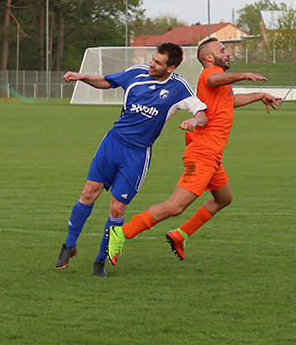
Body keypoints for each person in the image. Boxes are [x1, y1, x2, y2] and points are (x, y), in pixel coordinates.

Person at [106, 37, 282, 266]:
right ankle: (122, 232)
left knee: (223, 198)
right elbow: (217, 79)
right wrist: (244, 74)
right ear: (209, 58)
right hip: (203, 154)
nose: (227, 53)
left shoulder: (219, 86)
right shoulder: (210, 74)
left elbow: (231, 100)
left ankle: (180, 235)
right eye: (222, 50)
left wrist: (259, 95)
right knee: (176, 206)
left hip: (212, 155)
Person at [55, 43, 208, 277]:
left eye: (158, 62)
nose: (151, 64)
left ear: (171, 67)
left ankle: (101, 260)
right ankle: (69, 245)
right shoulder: (136, 73)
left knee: (117, 209)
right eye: (152, 59)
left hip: (137, 154)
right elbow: (107, 81)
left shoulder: (178, 88)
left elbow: (202, 112)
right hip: (113, 143)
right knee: (88, 193)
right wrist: (81, 77)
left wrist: (193, 121)